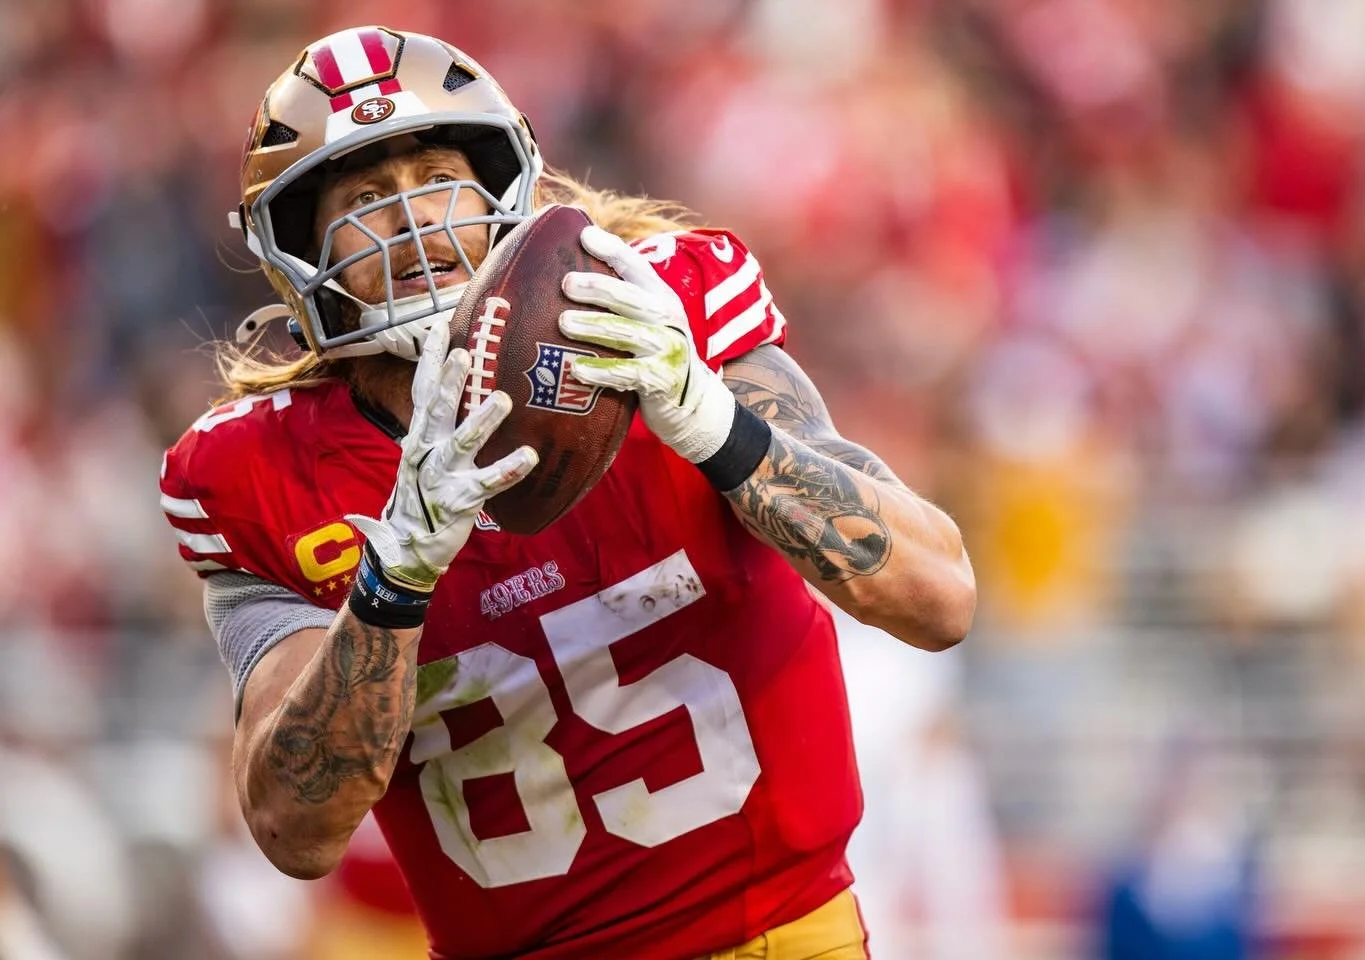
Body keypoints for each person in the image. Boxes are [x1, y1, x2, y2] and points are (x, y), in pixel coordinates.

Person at [159, 26, 976, 960]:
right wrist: (395, 580)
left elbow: (937, 597)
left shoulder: (663, 310)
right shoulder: (251, 473)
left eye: (435, 178)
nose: (414, 223)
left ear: (504, 185)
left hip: (780, 936)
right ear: (300, 249)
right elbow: (292, 828)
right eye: (366, 200)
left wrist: (714, 425)